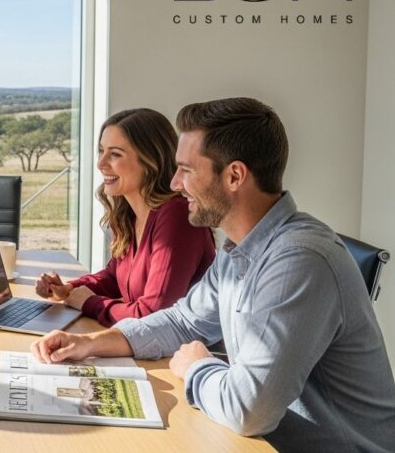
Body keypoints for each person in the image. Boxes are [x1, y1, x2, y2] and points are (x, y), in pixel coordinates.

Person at [31, 97, 395, 452]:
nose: (174, 183)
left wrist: (198, 367)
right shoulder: (241, 249)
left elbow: (248, 411)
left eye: (186, 170)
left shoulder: (298, 261)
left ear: (234, 175)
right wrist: (93, 344)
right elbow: (182, 322)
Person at [36, 108, 215, 326]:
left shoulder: (177, 216)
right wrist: (68, 289)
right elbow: (114, 277)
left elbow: (154, 314)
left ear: (151, 161)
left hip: (176, 353)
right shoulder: (129, 213)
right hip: (145, 347)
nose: (101, 164)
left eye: (115, 154)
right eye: (101, 151)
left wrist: (89, 302)